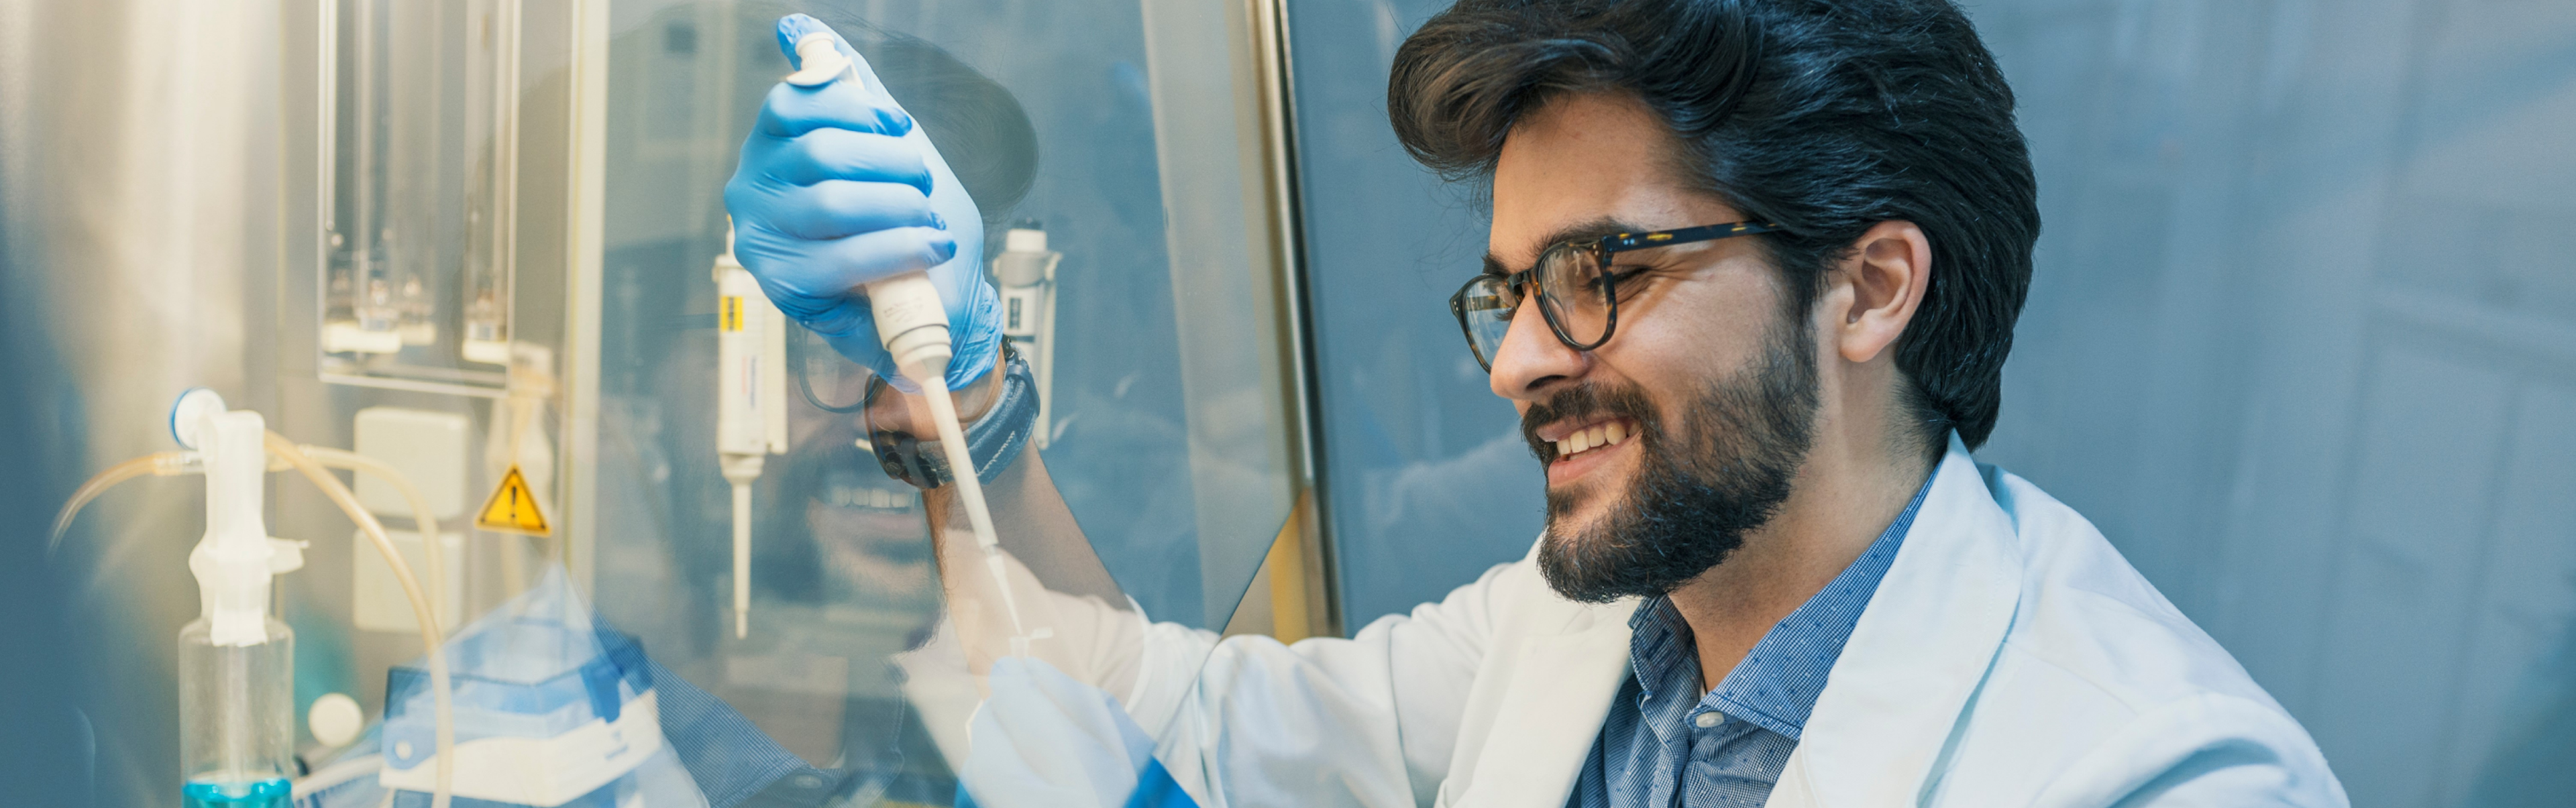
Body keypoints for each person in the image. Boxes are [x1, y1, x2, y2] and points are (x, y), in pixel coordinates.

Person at [723, 1, 2350, 806]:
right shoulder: (1595, 636)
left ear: (1870, 287)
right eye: (1510, 289)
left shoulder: (2157, 776)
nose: (1512, 361)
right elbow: (1157, 712)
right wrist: (967, 391)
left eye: (1604, 272)